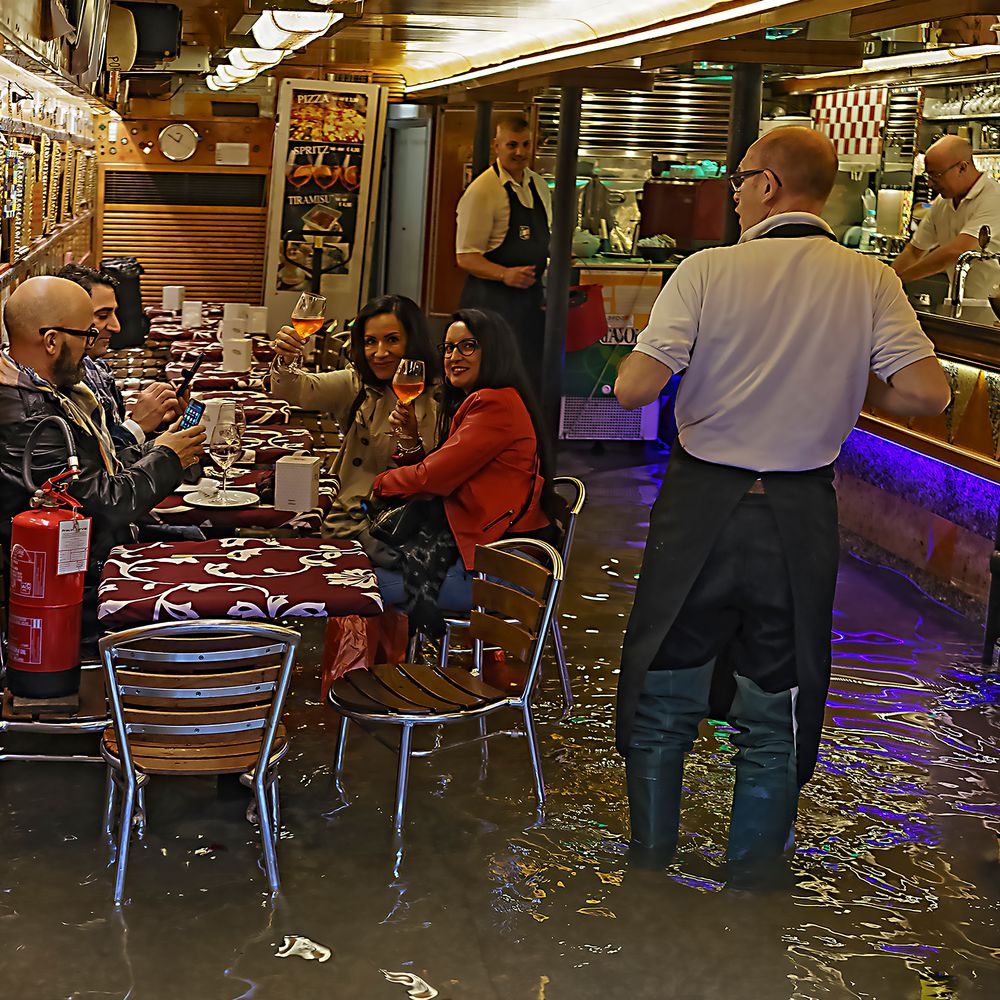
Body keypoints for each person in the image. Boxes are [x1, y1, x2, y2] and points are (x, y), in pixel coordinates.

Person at [613, 126, 950, 882]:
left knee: (666, 694)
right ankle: (752, 888)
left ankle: (648, 872)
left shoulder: (705, 272)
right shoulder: (869, 280)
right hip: (799, 514)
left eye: (739, 178)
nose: (733, 192)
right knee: (776, 706)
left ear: (768, 186)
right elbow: (930, 393)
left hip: (701, 505)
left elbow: (632, 388)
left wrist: (681, 359)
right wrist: (838, 380)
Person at [0, 276, 205, 601]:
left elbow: (95, 473)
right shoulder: (28, 419)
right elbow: (100, 504)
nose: (92, 343)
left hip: (96, 562)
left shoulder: (46, 391)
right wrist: (167, 457)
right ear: (52, 341)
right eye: (87, 334)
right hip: (74, 589)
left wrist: (162, 446)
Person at [371, 308, 554, 632]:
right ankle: (385, 673)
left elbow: (431, 479)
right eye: (449, 347)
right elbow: (439, 474)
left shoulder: (494, 404)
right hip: (482, 554)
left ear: (494, 350)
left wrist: (378, 484)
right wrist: (412, 441)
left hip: (498, 568)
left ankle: (372, 676)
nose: (455, 356)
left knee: (357, 584)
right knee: (359, 564)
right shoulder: (488, 401)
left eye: (468, 346)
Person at [268, 294, 439, 549]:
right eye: (371, 341)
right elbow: (294, 390)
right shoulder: (357, 384)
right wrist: (287, 358)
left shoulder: (440, 397)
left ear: (412, 341)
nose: (379, 353)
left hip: (403, 527)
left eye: (392, 340)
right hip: (346, 519)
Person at [456, 116, 552, 381]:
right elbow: (465, 257)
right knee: (493, 376)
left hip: (529, 303)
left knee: (528, 375)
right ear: (497, 146)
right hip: (490, 305)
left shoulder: (539, 185)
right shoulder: (482, 191)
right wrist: (504, 274)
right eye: (512, 145)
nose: (520, 152)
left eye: (525, 144)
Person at [57, 264, 180, 451]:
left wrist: (156, 424)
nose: (116, 327)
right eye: (103, 315)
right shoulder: (57, 389)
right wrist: (137, 425)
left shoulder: (98, 369)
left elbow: (121, 447)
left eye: (114, 313)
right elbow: (100, 467)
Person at [891, 134, 1000, 300]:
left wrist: (897, 280)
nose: (929, 184)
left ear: (962, 167)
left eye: (936, 175)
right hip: (959, 303)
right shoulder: (942, 203)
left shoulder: (993, 198)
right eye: (929, 176)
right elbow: (914, 251)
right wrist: (886, 281)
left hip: (992, 309)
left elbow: (957, 251)